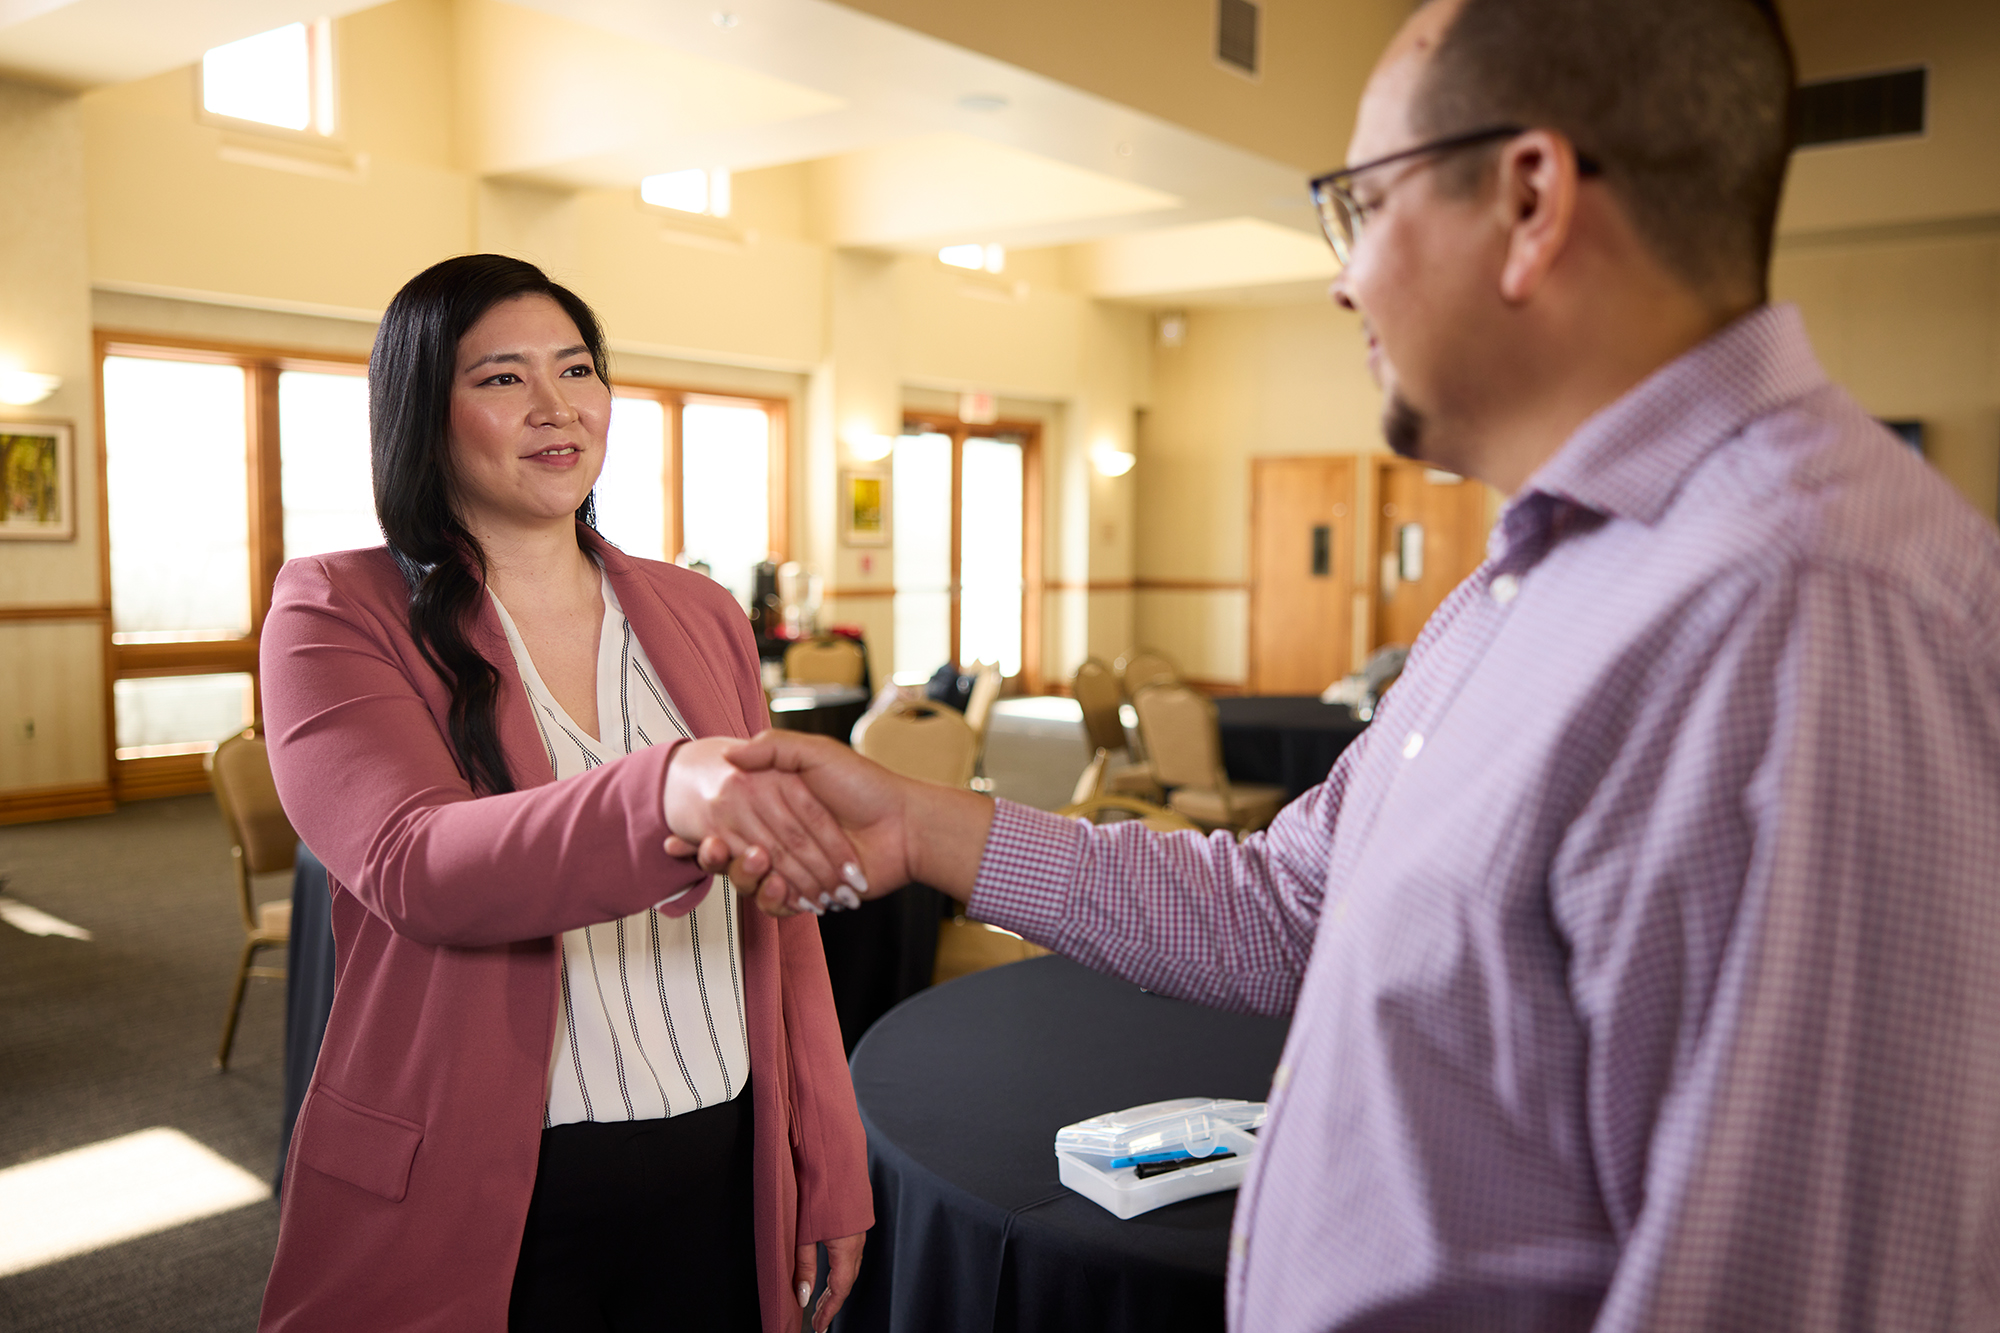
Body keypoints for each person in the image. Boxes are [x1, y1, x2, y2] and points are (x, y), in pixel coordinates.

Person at [684, 0, 2000, 1327]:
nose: (1343, 276)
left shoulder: (1809, 611)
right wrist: (921, 822)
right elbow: (1291, 911)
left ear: (1530, 198)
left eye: (1361, 205)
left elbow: (1804, 1284)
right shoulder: (1535, 573)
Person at [257, 254, 873, 1332]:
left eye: (577, 369)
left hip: (723, 1159)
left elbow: (784, 913)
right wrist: (666, 790)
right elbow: (417, 863)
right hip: (483, 1182)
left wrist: (825, 1155)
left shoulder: (700, 612)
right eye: (501, 378)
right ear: (422, 409)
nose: (556, 409)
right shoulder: (333, 611)